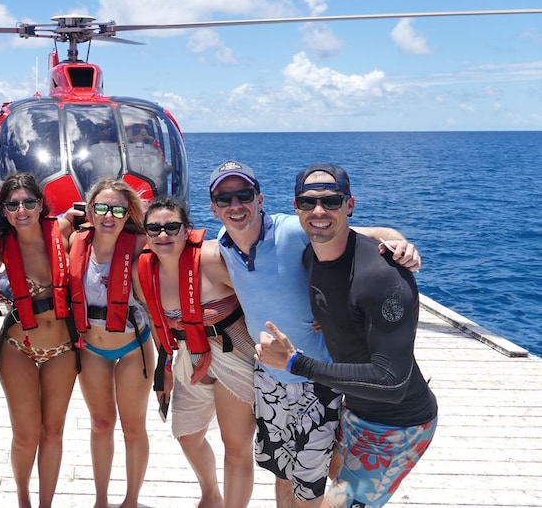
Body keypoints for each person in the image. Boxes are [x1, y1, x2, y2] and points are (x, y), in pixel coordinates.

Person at [208, 160, 421, 508]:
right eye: (225, 198)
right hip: (269, 378)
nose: (236, 206)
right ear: (214, 208)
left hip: (316, 379)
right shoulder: (222, 244)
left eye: (244, 195)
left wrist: (402, 245)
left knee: (310, 485)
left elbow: (368, 234)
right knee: (281, 473)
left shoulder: (294, 229)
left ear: (260, 199)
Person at [134, 196, 256, 508]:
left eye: (172, 227)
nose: (163, 235)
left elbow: (261, 293)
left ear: (187, 230)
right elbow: (155, 320)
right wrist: (164, 369)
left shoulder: (214, 259)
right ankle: (211, 494)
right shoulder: (142, 271)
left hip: (234, 352)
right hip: (187, 355)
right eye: (155, 228)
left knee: (235, 446)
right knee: (187, 433)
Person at [0, 172, 78, 508]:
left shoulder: (65, 231)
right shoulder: (0, 246)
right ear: (5, 210)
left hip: (63, 349)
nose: (22, 210)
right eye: (13, 205)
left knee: (53, 432)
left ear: (41, 205)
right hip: (19, 347)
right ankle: (24, 500)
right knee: (26, 436)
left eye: (29, 202)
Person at [67, 178, 153, 508]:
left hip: (134, 347)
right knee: (101, 423)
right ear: (90, 210)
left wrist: (170, 362)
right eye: (101, 207)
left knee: (133, 427)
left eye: (118, 209)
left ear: (128, 212)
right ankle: (100, 500)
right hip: (92, 348)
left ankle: (130, 501)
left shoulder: (142, 243)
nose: (109, 216)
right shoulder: (77, 240)